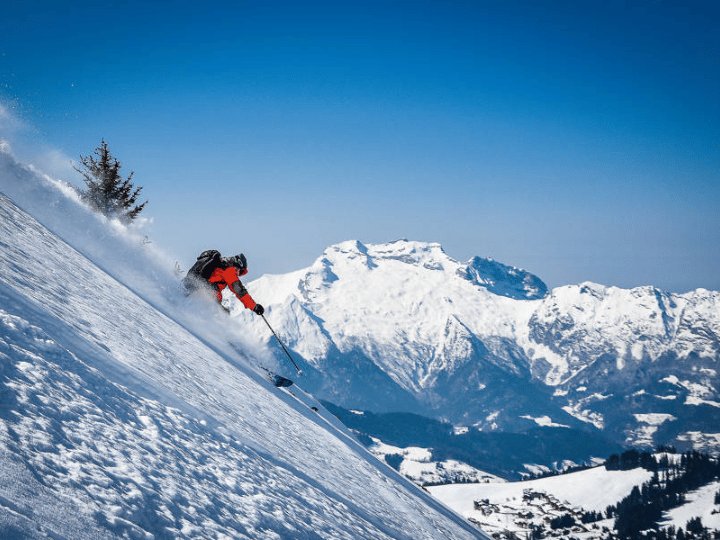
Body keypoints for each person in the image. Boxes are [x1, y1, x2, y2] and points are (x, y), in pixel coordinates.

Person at [183, 250, 264, 315]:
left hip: (197, 285)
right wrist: (254, 306)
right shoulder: (230, 271)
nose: (238, 274)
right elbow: (240, 291)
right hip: (206, 291)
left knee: (220, 306)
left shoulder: (222, 263)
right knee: (222, 312)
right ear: (238, 265)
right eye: (239, 271)